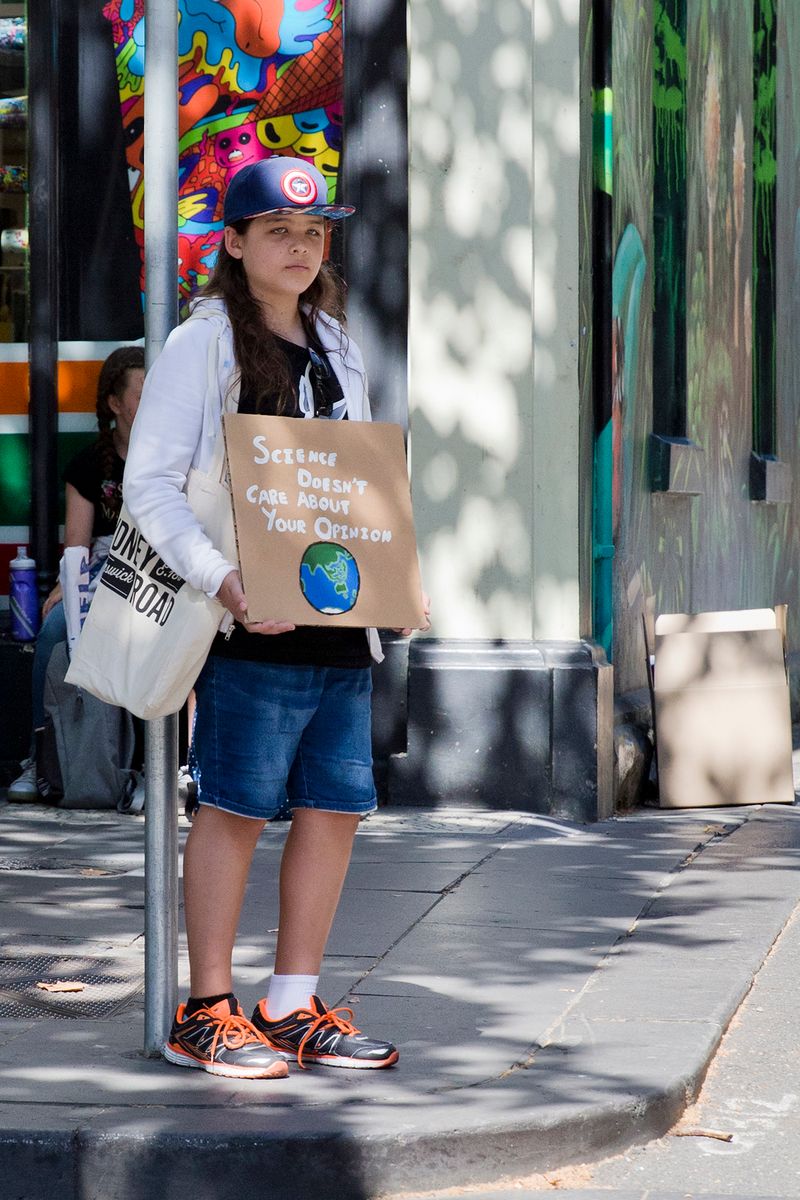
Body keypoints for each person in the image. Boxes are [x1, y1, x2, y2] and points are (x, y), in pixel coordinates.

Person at [123, 157, 429, 1081]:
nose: (300, 248)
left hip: (340, 622)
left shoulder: (336, 340)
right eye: (278, 233)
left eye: (313, 234)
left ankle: (292, 1003)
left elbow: (360, 482)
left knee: (335, 809)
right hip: (246, 625)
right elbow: (149, 487)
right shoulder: (203, 343)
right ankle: (206, 1010)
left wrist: (398, 581)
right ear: (236, 243)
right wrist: (223, 582)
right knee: (235, 808)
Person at [8, 347, 145, 802]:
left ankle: (155, 767)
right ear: (114, 403)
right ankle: (42, 759)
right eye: (142, 393)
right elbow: (78, 548)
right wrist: (66, 590)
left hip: (156, 576)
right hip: (103, 571)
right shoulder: (90, 466)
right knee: (52, 630)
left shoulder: (174, 460)